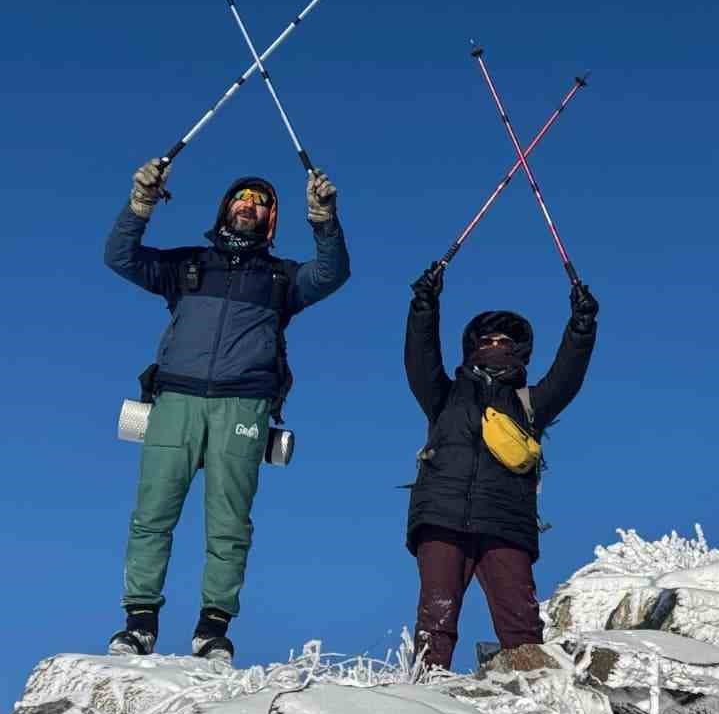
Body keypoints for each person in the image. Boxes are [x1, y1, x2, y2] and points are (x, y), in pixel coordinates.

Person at [104, 162, 350, 659]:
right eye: (242, 197)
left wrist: (323, 218)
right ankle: (139, 623)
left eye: (260, 202)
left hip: (244, 405)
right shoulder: (189, 266)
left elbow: (332, 273)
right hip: (176, 401)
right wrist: (141, 202)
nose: (249, 205)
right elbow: (120, 256)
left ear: (271, 219)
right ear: (225, 208)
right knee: (152, 515)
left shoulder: (281, 279)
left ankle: (212, 629)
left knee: (229, 525)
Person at [404, 261, 598, 670]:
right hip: (442, 516)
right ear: (472, 348)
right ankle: (422, 702)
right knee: (435, 624)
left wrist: (582, 325)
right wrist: (424, 305)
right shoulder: (444, 397)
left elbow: (568, 375)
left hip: (506, 523)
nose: (495, 346)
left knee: (523, 628)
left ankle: (535, 700)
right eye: (487, 340)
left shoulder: (530, 403)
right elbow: (420, 359)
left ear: (520, 351)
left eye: (505, 341)